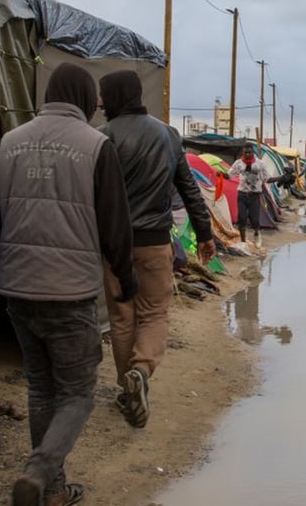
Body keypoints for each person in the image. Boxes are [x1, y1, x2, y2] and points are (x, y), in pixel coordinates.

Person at [0, 62, 138, 506]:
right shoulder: (97, 146)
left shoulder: (8, 143)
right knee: (79, 391)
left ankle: (54, 491)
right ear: (83, 99)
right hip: (70, 293)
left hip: (18, 291)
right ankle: (40, 472)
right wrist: (127, 280)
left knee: (41, 387)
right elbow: (116, 229)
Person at [97, 70, 216, 429]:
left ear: (116, 96)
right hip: (154, 243)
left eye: (104, 96)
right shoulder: (168, 135)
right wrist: (206, 234)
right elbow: (189, 189)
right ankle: (141, 372)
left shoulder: (103, 137)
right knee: (154, 314)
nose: (101, 103)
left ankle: (127, 388)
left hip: (113, 245)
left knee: (122, 317)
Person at [218, 143, 282, 245]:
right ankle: (243, 241)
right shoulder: (238, 163)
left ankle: (257, 233)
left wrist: (281, 178)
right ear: (242, 153)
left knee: (254, 220)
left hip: (255, 196)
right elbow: (229, 176)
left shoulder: (260, 164)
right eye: (245, 152)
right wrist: (221, 174)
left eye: (249, 152)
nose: (247, 154)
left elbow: (267, 179)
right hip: (242, 194)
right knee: (242, 218)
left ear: (253, 152)